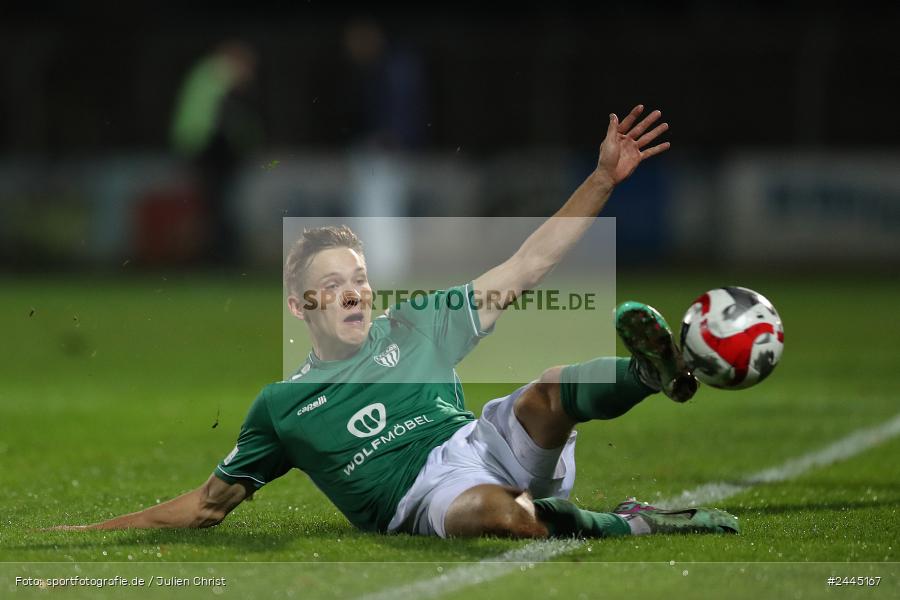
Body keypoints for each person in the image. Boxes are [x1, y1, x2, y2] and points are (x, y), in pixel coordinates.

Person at [50, 105, 739, 538]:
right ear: (301, 306)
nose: (355, 294)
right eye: (335, 286)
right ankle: (626, 524)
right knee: (490, 514)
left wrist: (602, 179)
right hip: (427, 494)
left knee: (549, 389)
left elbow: (528, 265)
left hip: (478, 441)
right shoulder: (283, 408)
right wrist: (92, 528)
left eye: (360, 280)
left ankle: (652, 373)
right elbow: (206, 507)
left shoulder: (418, 325)